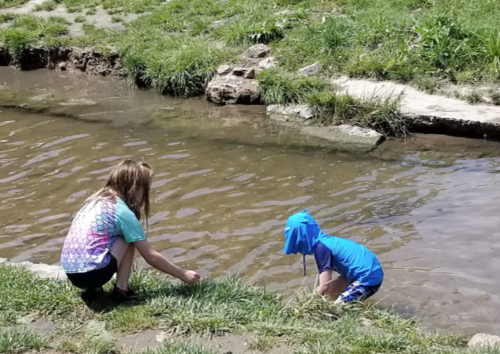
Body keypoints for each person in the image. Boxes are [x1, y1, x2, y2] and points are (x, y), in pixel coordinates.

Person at [60, 160, 200, 301]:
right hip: (94, 274)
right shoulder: (122, 211)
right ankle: (122, 289)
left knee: (99, 240)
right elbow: (150, 256)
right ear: (136, 188)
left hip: (72, 273)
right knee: (127, 238)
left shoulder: (93, 202)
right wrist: (183, 274)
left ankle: (94, 290)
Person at [283, 210, 383, 304]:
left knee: (338, 307)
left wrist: (312, 302)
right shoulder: (326, 242)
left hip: (368, 279)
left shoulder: (321, 249)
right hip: (368, 272)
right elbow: (328, 287)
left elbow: (325, 286)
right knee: (332, 294)